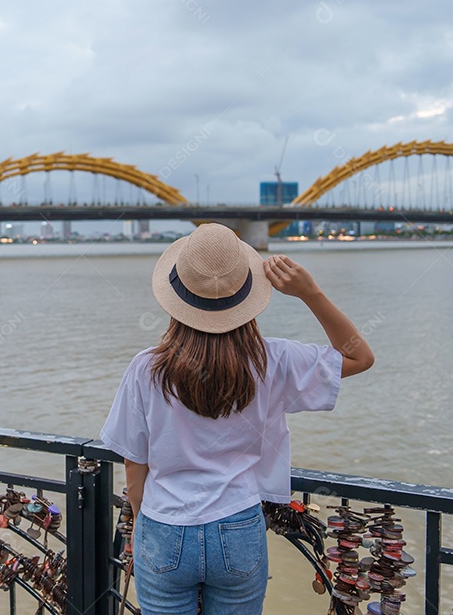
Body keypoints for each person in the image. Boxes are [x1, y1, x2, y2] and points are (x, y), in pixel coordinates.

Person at [100, 223, 374, 614]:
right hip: (238, 525)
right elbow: (359, 357)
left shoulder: (147, 368)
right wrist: (311, 294)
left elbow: (133, 461)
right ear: (247, 294)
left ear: (177, 296)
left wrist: (145, 527)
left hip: (164, 525)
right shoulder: (274, 361)